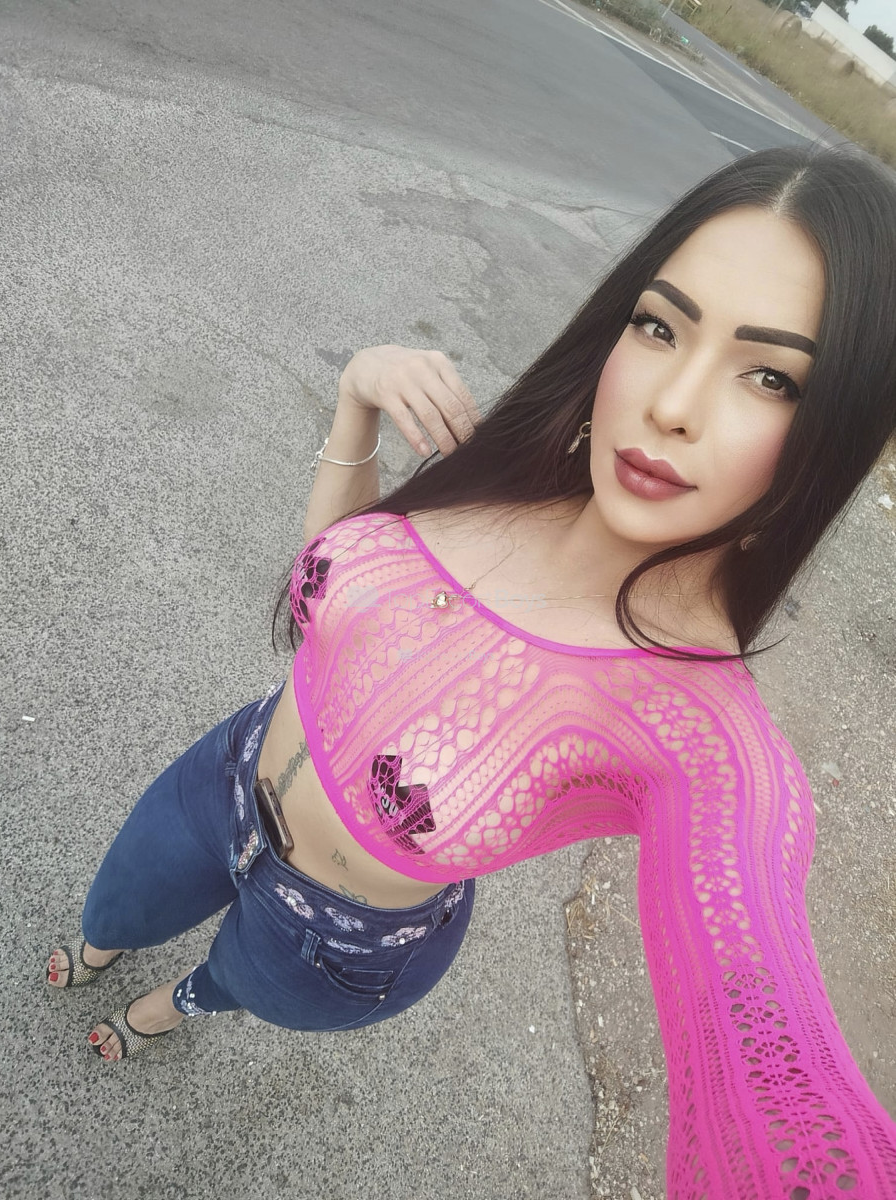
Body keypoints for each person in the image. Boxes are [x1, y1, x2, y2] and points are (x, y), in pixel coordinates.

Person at [46, 145, 896, 1194]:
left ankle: (172, 1008)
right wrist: (355, 400)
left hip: (336, 940)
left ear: (839, 429)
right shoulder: (510, 468)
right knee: (112, 910)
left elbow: (769, 1055)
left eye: (772, 376)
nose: (673, 402)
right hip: (224, 772)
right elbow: (331, 610)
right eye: (660, 326)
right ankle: (101, 954)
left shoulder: (706, 737)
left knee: (227, 981)